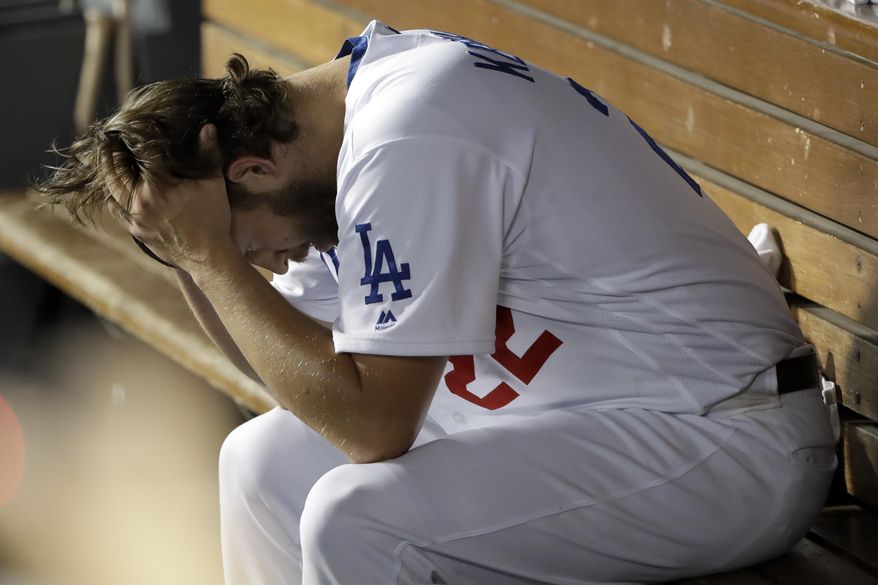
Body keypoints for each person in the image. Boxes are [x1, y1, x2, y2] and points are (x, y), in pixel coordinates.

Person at [37, 20, 837, 585]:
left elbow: (372, 427)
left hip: (727, 435)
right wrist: (194, 251)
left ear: (248, 174)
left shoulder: (408, 134)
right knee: (258, 463)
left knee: (357, 517)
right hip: (605, 415)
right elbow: (291, 366)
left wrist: (210, 256)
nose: (271, 268)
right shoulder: (340, 136)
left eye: (254, 248)